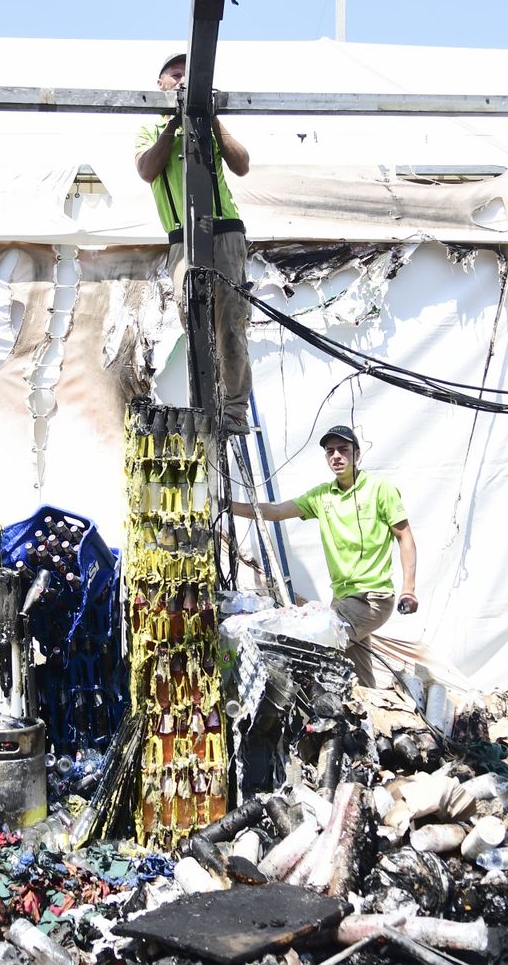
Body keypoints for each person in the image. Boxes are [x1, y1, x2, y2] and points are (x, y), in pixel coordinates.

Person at [231, 425, 418, 687]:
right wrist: (227, 506)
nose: (336, 456)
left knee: (315, 652)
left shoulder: (380, 490)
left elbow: (405, 536)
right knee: (358, 676)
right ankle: (368, 719)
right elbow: (274, 512)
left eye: (343, 450)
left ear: (357, 454)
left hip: (371, 599)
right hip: (342, 601)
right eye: (330, 451)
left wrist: (408, 589)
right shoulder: (322, 496)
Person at [135, 52, 254, 434]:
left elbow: (242, 163)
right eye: (175, 74)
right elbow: (147, 169)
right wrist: (172, 126)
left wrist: (211, 117)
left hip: (224, 230)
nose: (183, 80)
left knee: (231, 322)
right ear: (161, 85)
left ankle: (234, 411)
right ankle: (208, 404)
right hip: (181, 237)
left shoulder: (210, 124)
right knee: (195, 318)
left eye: (189, 75)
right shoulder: (149, 129)